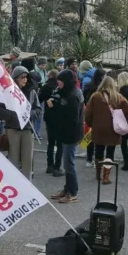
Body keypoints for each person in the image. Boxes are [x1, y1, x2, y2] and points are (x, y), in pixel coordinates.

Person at [0, 66, 41, 179]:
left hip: (28, 130)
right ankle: (12, 184)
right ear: (15, 78)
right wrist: (13, 115)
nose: (25, 79)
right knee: (13, 161)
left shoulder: (32, 91)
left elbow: (38, 109)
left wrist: (29, 114)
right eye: (22, 77)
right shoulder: (7, 91)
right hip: (12, 129)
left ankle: (27, 186)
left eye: (26, 77)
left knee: (27, 161)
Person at [49, 69, 84, 204]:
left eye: (60, 81)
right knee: (67, 162)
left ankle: (73, 192)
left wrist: (57, 108)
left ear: (66, 82)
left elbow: (72, 118)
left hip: (71, 133)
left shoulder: (73, 96)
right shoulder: (68, 92)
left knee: (69, 164)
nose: (58, 83)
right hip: (66, 132)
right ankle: (67, 189)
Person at [85, 76, 128, 184]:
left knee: (98, 150)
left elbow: (88, 113)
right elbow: (126, 113)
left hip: (98, 128)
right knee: (110, 153)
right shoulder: (119, 98)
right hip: (113, 129)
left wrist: (92, 124)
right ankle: (106, 176)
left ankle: (98, 173)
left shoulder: (95, 96)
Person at [40, 70, 63, 176]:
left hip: (49, 117)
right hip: (59, 117)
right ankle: (57, 166)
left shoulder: (46, 86)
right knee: (59, 144)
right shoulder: (60, 88)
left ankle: (50, 165)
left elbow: (39, 98)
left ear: (49, 76)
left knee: (51, 142)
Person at [82, 68, 106, 168]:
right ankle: (98, 159)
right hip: (100, 114)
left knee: (89, 136)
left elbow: (83, 98)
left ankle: (89, 159)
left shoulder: (88, 86)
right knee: (99, 138)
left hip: (89, 112)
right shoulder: (103, 88)